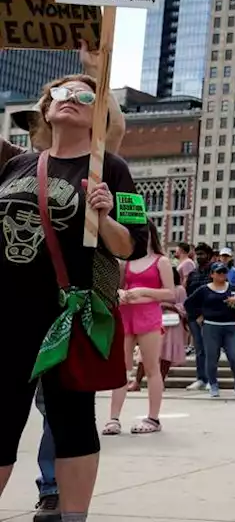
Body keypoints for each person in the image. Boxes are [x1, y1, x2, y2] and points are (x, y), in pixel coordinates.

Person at [0, 66, 150, 522]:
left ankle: (73, 517)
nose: (70, 99)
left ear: (99, 115)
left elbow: (133, 245)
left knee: (71, 422)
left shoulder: (114, 168)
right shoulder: (18, 164)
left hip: (68, 317)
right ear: (46, 107)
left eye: (85, 97)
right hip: (9, 317)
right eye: (61, 93)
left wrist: (104, 217)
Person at [103, 221, 176, 436]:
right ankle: (114, 418)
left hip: (149, 317)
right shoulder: (127, 262)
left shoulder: (161, 261)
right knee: (121, 368)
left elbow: (170, 293)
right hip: (127, 316)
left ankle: (153, 418)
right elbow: (118, 287)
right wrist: (121, 294)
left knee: (152, 368)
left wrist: (145, 291)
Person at [189, 262, 235, 398]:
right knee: (212, 357)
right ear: (212, 274)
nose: (222, 275)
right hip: (211, 326)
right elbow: (189, 303)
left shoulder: (233, 288)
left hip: (230, 326)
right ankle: (213, 384)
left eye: (224, 272)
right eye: (218, 272)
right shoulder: (204, 290)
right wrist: (197, 316)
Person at [183, 243, 216, 391]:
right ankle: (201, 378)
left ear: (209, 255)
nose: (199, 257)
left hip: (210, 316)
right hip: (194, 316)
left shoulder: (215, 272)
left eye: (202, 254)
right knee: (199, 349)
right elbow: (188, 295)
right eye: (198, 254)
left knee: (210, 349)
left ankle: (211, 379)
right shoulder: (193, 274)